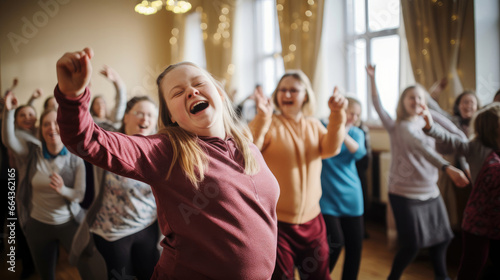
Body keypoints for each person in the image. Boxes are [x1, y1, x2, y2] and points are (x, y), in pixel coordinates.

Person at [55, 47, 279, 279]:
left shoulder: (246, 146)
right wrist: (73, 97)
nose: (191, 91)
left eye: (198, 83)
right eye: (177, 92)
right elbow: (86, 141)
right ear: (171, 115)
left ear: (219, 93)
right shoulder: (167, 150)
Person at [366, 65, 470, 279]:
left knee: (442, 239)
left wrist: (461, 141)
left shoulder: (428, 117)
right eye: (411, 98)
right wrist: (372, 79)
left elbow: (455, 132)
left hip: (430, 191)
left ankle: (442, 277)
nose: (416, 102)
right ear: (403, 102)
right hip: (404, 193)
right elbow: (421, 149)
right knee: (412, 245)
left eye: (420, 98)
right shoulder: (398, 126)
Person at [249, 70, 347, 280]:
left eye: (293, 90)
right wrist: (262, 117)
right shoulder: (269, 123)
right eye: (282, 90)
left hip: (313, 221)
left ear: (306, 96)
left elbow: (331, 149)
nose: (287, 94)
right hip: (278, 224)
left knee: (319, 276)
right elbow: (250, 151)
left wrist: (337, 114)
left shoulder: (313, 124)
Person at [2, 93, 107, 280]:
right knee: (45, 274)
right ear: (40, 129)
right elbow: (9, 140)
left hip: (69, 223)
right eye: (46, 124)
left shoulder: (75, 157)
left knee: (87, 269)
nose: (52, 128)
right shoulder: (31, 154)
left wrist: (62, 190)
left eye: (56, 123)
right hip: (37, 225)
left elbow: (80, 195)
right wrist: (9, 111)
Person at [71, 96, 160, 280]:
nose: (145, 119)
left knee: (150, 275)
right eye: (139, 113)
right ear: (125, 117)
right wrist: (75, 96)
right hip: (113, 232)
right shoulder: (108, 145)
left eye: (150, 115)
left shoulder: (159, 151)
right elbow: (79, 132)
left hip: (148, 227)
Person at [421, 102, 500, 280]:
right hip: (478, 222)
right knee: (470, 269)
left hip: (497, 222)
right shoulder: (476, 147)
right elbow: (451, 140)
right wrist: (430, 128)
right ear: (494, 127)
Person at [320, 96, 367, 279]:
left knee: (355, 247)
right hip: (326, 196)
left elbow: (360, 152)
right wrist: (336, 127)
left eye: (357, 115)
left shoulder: (356, 133)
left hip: (351, 195)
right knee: (335, 243)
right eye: (350, 113)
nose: (353, 118)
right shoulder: (323, 129)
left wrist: (342, 131)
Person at [89, 65, 127, 131]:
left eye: (102, 103)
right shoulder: (89, 120)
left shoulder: (113, 119)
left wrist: (116, 80)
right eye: (97, 103)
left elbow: (120, 102)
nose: (100, 106)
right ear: (92, 107)